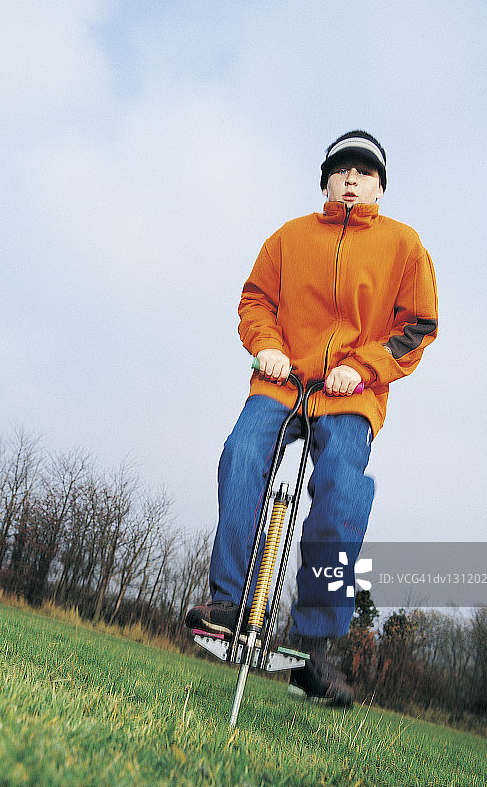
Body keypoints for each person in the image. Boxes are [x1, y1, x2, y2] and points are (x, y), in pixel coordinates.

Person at [185, 131, 438, 707]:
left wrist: (366, 366)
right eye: (341, 169)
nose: (352, 178)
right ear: (326, 180)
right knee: (243, 454)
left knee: (343, 488)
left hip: (349, 394)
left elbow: (418, 325)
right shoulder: (289, 237)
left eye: (364, 171)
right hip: (282, 381)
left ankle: (315, 646)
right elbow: (255, 301)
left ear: (380, 185)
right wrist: (265, 346)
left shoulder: (404, 245)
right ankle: (228, 602)